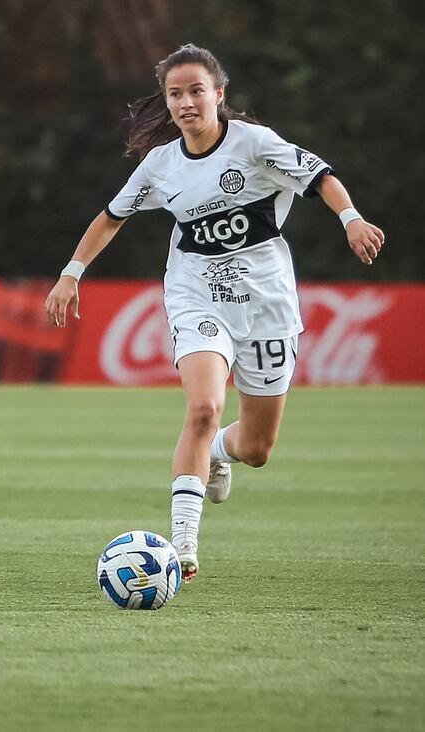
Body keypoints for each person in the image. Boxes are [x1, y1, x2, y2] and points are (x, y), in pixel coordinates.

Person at [44, 44, 384, 582]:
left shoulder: (255, 144)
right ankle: (181, 546)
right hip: (196, 296)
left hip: (268, 306)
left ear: (218, 95)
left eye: (196, 91)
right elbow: (111, 217)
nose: (185, 103)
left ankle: (223, 454)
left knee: (258, 448)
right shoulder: (161, 165)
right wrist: (71, 273)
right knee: (202, 407)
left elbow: (321, 177)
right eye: (174, 94)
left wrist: (352, 220)